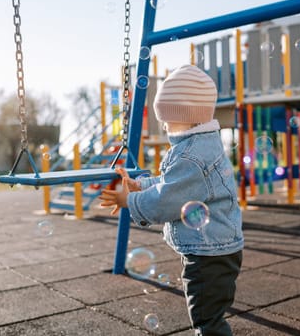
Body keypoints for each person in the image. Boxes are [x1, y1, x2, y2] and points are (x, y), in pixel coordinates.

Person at [99, 64, 243, 336]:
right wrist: (141, 185)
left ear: (187, 117)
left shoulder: (191, 155)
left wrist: (129, 200)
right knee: (209, 316)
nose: (164, 124)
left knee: (207, 321)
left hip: (210, 254)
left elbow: (166, 200)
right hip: (214, 248)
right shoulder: (198, 146)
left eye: (167, 118)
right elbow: (173, 184)